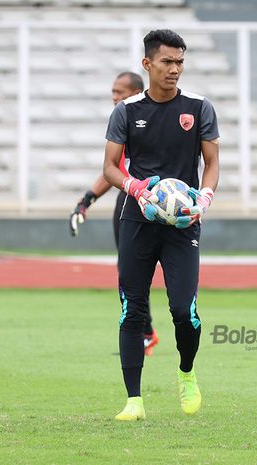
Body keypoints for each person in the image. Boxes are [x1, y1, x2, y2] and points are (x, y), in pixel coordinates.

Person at [102, 29, 220, 421]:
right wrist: (135, 187)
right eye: (167, 62)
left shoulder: (200, 107)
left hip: (182, 223)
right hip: (138, 218)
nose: (175, 69)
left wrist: (204, 197)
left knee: (183, 310)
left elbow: (212, 163)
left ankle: (186, 373)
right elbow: (110, 168)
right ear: (147, 64)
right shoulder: (126, 111)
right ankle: (133, 401)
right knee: (131, 311)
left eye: (180, 62)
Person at [69, 71, 159, 356]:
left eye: (119, 92)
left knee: (143, 269)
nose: (114, 97)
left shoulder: (149, 120)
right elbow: (113, 171)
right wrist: (86, 201)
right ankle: (145, 332)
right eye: (113, 92)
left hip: (154, 200)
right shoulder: (123, 122)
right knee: (129, 269)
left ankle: (146, 332)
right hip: (129, 200)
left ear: (135, 92)